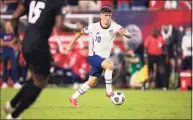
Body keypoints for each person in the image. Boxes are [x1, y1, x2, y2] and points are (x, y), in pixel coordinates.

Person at [3, 0, 67, 119]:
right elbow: (60, 26)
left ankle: (11, 105)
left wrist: (16, 36)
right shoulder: (58, 2)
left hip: (26, 43)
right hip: (39, 45)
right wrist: (76, 28)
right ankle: (14, 115)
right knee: (40, 83)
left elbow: (15, 16)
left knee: (36, 78)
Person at [65, 6, 132, 108]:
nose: (108, 18)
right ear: (101, 16)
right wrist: (71, 44)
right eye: (106, 15)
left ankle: (73, 97)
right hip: (94, 57)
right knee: (110, 66)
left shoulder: (115, 26)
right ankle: (109, 92)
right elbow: (80, 32)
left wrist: (126, 34)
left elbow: (129, 34)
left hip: (103, 59)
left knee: (91, 83)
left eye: (109, 15)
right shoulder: (93, 27)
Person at [0, 21, 21, 89]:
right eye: (7, 25)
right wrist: (10, 44)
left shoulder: (13, 35)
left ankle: (15, 82)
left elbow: (17, 42)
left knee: (14, 67)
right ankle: (5, 82)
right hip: (4, 53)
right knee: (4, 68)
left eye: (9, 25)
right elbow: (1, 43)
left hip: (12, 53)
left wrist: (7, 43)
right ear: (5, 26)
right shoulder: (2, 34)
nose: (8, 26)